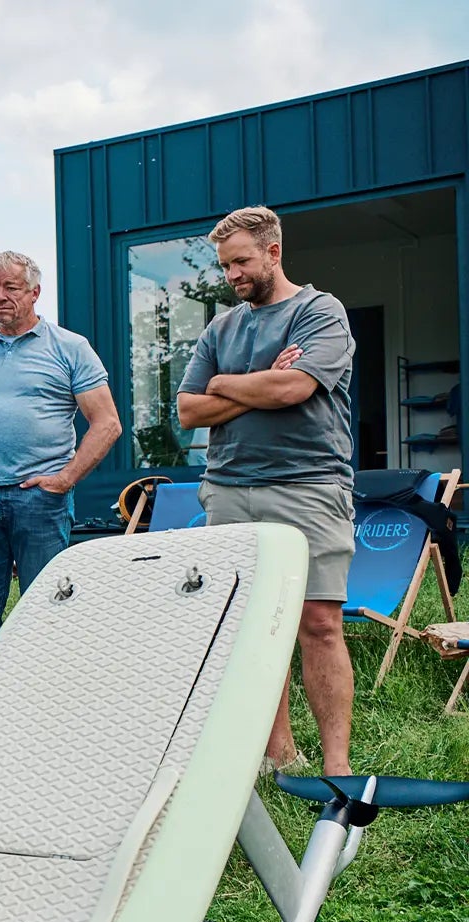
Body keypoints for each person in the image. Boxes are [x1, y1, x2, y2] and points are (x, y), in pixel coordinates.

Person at [176, 205, 357, 776]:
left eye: (241, 262)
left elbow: (294, 388)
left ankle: (337, 767)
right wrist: (256, 384)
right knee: (255, 625)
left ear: (274, 253)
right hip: (228, 488)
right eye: (225, 265)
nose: (231, 275)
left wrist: (226, 385)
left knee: (319, 623)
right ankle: (279, 753)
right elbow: (187, 410)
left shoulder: (319, 311)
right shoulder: (221, 328)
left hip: (308, 484)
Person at [0, 251, 122, 675]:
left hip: (39, 500)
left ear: (35, 292)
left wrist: (65, 479)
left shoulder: (70, 348)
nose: (0, 297)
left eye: (11, 288)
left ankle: (47, 697)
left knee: (47, 606)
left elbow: (107, 423)